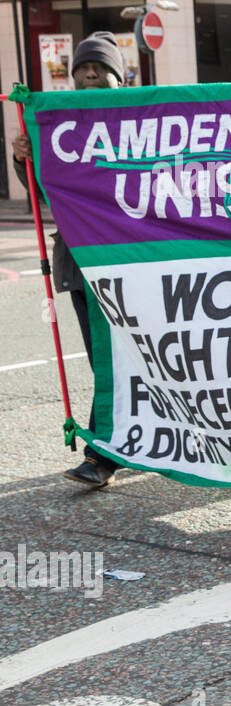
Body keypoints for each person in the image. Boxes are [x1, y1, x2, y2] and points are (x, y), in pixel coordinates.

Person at [11, 32, 127, 488]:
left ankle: (112, 454)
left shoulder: (146, 118)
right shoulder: (59, 130)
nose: (91, 73)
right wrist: (27, 159)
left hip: (140, 266)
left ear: (119, 78)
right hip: (83, 268)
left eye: (100, 67)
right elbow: (45, 193)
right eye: (83, 68)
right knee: (107, 363)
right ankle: (107, 454)